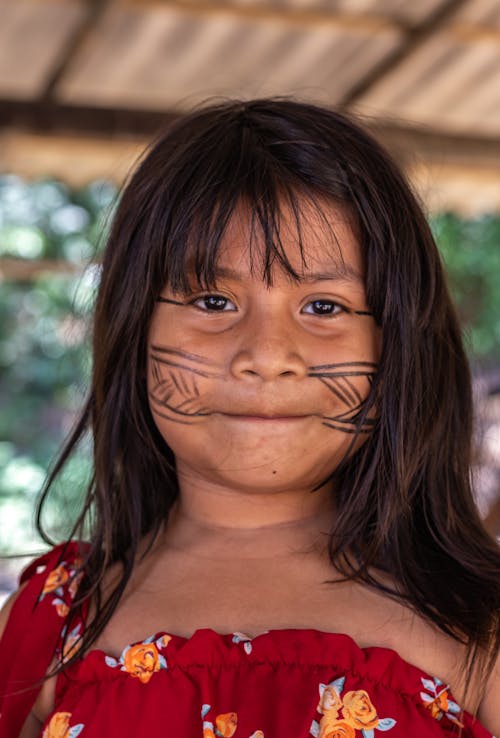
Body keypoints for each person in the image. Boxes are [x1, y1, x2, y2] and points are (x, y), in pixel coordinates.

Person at [0, 98, 498, 738]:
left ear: (399, 345)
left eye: (324, 306)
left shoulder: (480, 624)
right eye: (213, 299)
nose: (266, 356)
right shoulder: (52, 625)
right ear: (132, 328)